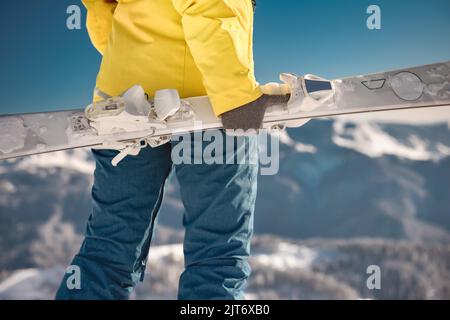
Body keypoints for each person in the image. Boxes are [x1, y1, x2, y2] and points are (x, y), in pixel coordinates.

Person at [56, 0, 285, 300]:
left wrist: (135, 55)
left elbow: (101, 11)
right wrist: (237, 97)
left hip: (121, 102)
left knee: (108, 251)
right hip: (208, 101)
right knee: (216, 257)